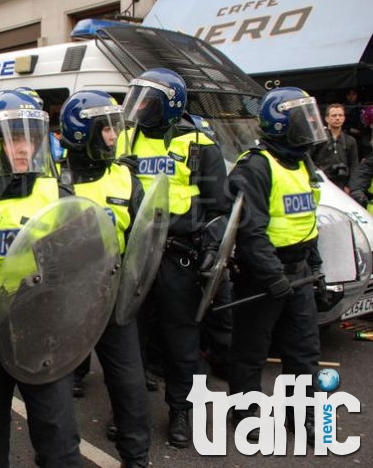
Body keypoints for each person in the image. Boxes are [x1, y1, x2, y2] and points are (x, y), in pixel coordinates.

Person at [0, 89, 82, 467]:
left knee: (56, 423)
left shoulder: (54, 189)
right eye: (14, 137)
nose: (23, 147)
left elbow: (76, 256)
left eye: (30, 137)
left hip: (41, 315)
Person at [116, 67, 230, 449]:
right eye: (138, 98)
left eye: (148, 101)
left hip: (176, 252)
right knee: (132, 335)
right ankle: (130, 413)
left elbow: (219, 207)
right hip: (134, 250)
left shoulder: (199, 143)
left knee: (181, 338)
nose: (139, 107)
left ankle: (181, 410)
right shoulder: (126, 138)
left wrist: (213, 245)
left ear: (170, 105)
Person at [227, 86, 327, 445]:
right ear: (281, 125)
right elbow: (250, 232)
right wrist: (273, 277)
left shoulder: (302, 162)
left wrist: (317, 271)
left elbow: (308, 223)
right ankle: (244, 413)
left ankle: (302, 417)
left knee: (303, 352)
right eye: (302, 121)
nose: (310, 127)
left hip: (298, 269)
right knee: (251, 350)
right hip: (263, 274)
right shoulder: (255, 166)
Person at [58, 90, 149, 468]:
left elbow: (144, 237)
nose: (114, 137)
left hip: (113, 295)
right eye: (106, 130)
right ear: (82, 133)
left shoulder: (127, 177)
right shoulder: (52, 177)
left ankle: (137, 456)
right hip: (66, 301)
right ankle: (59, 454)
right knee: (56, 390)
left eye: (115, 129)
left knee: (129, 382)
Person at [310, 103, 357, 190]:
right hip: (322, 182)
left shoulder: (350, 141)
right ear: (326, 118)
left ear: (344, 118)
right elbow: (309, 160)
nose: (337, 118)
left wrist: (350, 186)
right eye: (334, 115)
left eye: (340, 115)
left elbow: (354, 165)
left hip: (343, 183)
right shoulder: (318, 138)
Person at [342, 88, 369, 158]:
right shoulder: (342, 108)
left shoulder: (361, 108)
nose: (351, 96)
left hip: (360, 136)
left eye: (353, 94)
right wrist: (349, 129)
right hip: (346, 135)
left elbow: (365, 123)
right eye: (349, 94)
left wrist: (360, 131)